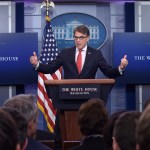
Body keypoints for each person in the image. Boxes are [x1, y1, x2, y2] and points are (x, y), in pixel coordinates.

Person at [30, 25, 128, 80]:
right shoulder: (65, 53)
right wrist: (36, 64)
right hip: (68, 96)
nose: (78, 40)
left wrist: (121, 68)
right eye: (76, 37)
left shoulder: (96, 54)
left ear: (88, 38)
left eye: (81, 37)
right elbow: (49, 68)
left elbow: (108, 72)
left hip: (89, 97)